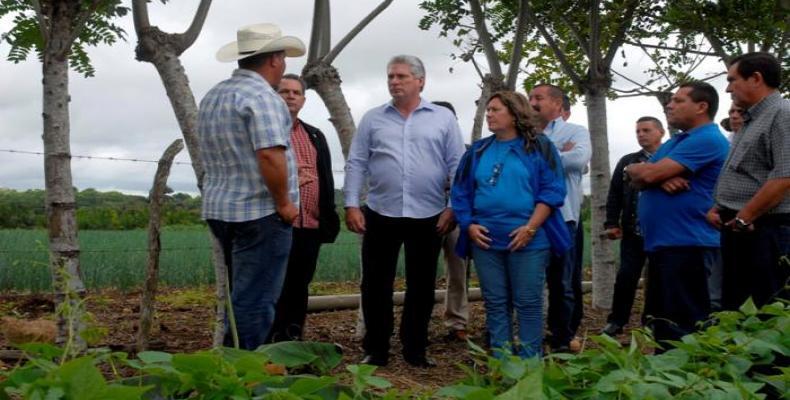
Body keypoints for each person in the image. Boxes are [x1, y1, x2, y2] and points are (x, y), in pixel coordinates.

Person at [343, 55, 466, 367]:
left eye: (401, 76)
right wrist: (352, 204)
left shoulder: (443, 118)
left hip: (429, 215)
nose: (394, 82)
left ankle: (415, 349)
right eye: (390, 77)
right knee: (374, 285)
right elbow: (357, 161)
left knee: (422, 286)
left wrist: (453, 208)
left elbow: (457, 165)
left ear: (420, 81)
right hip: (380, 213)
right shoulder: (373, 118)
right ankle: (376, 349)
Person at [198, 23, 305, 349]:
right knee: (255, 301)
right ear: (274, 59)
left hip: (222, 209)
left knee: (241, 295)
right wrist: (285, 204)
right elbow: (270, 155)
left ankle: (232, 366)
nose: (284, 64)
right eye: (283, 58)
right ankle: (243, 374)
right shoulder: (263, 98)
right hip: (259, 213)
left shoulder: (215, 95)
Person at [452, 91, 569, 358]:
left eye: (495, 110)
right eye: (488, 110)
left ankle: (529, 367)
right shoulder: (478, 150)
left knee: (528, 303)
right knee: (495, 303)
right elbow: (461, 193)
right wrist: (468, 225)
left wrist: (530, 228)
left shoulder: (540, 146)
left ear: (515, 114)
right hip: (486, 240)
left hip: (529, 238)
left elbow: (552, 191)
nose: (489, 115)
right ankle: (502, 364)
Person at [626, 81, 729, 348]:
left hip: (688, 244)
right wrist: (658, 177)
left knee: (683, 325)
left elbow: (645, 173)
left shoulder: (706, 139)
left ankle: (687, 380)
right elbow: (635, 174)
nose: (670, 105)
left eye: (679, 100)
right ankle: (666, 380)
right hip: (666, 244)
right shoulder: (676, 142)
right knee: (662, 322)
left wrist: (651, 174)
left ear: (701, 107)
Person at [709, 52, 790, 310]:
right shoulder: (750, 119)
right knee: (737, 308)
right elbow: (743, 171)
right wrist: (719, 206)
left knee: (768, 308)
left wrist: (746, 216)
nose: (728, 87)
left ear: (756, 78)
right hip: (742, 228)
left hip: (766, 229)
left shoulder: (782, 114)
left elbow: (785, 174)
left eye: (733, 80)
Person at [268, 74, 340, 343]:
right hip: (275, 224)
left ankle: (293, 343)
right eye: (283, 91)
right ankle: (270, 347)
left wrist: (327, 214)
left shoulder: (314, 134)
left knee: (299, 288)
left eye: (296, 93)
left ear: (304, 100)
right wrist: (290, 177)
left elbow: (326, 178)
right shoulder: (266, 132)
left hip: (308, 226)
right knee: (275, 288)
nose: (290, 96)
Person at [528, 84, 592, 352]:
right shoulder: (523, 133)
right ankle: (527, 335)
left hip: (563, 218)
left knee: (562, 282)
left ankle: (562, 337)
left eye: (538, 98)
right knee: (526, 280)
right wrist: (557, 152)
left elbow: (578, 160)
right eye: (529, 97)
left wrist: (540, 154)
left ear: (557, 104)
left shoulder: (576, 131)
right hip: (527, 219)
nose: (531, 102)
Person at [600, 117, 664, 336]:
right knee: (626, 276)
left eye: (646, 130)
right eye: (638, 131)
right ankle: (617, 321)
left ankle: (651, 321)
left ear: (660, 132)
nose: (641, 134)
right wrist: (611, 222)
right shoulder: (628, 161)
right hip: (632, 231)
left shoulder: (670, 159)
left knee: (656, 278)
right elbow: (615, 193)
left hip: (661, 231)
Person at [432, 101, 471, 342]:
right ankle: (419, 319)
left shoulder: (468, 152)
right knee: (422, 272)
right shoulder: (422, 148)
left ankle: (457, 321)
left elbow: (471, 183)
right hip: (426, 215)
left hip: (458, 217)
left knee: (459, 271)